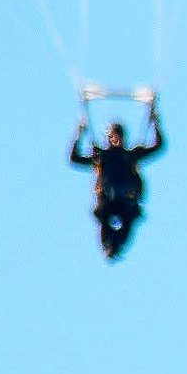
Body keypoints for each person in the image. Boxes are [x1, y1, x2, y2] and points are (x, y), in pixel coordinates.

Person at [67, 99, 165, 259]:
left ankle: (116, 246)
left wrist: (155, 123)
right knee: (104, 218)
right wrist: (79, 133)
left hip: (126, 201)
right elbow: (74, 159)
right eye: (113, 136)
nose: (116, 139)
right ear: (109, 138)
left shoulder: (131, 155)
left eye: (119, 136)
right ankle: (109, 246)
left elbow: (158, 146)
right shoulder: (101, 156)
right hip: (108, 200)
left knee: (129, 218)